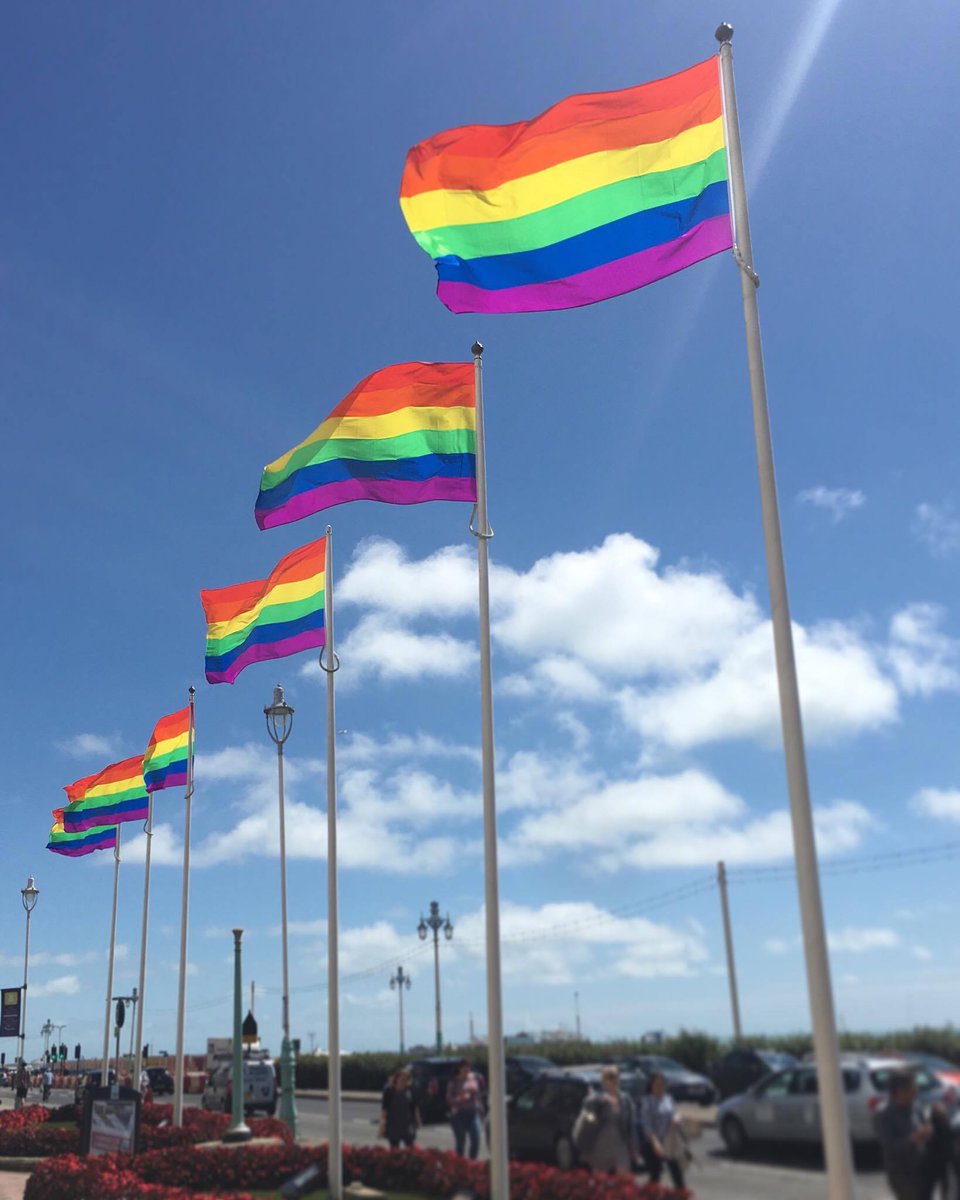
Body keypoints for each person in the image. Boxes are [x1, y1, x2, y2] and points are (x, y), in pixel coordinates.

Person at [873, 1069, 932, 1200]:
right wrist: (914, 1138)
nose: (917, 1090)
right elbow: (890, 1146)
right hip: (902, 1174)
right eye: (913, 1087)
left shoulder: (916, 1105)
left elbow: (924, 1124)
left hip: (922, 1168)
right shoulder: (884, 1114)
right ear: (900, 1091)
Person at [575, 1065, 637, 1177]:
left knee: (623, 1180)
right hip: (599, 1145)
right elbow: (587, 1116)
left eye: (616, 1076)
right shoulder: (595, 1098)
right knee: (601, 1182)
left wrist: (634, 1147)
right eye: (610, 1077)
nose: (614, 1080)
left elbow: (631, 1124)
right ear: (603, 1080)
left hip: (620, 1144)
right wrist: (597, 1107)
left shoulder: (625, 1099)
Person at [638, 1072, 688, 1189]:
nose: (660, 1087)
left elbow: (675, 1112)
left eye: (662, 1084)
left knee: (677, 1174)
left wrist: (677, 1118)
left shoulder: (668, 1099)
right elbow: (647, 1124)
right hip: (653, 1143)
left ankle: (681, 1196)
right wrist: (655, 1143)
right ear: (651, 1085)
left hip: (669, 1142)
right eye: (657, 1084)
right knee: (655, 1174)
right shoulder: (647, 1101)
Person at [446, 1059, 484, 1159]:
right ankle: (460, 1165)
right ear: (459, 1069)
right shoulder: (454, 1081)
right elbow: (449, 1099)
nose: (467, 1069)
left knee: (476, 1140)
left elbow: (479, 1094)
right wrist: (459, 1098)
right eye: (464, 1067)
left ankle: (472, 1163)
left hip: (473, 1113)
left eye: (468, 1067)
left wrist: (480, 1107)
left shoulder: (474, 1079)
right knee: (460, 1142)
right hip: (459, 1114)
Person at [379, 1068, 421, 1149]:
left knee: (410, 1147)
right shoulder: (389, 1091)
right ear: (396, 1078)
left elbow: (414, 1107)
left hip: (408, 1123)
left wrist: (418, 1121)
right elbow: (384, 1109)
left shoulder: (410, 1091)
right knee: (394, 1148)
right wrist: (382, 1126)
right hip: (393, 1124)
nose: (404, 1080)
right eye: (402, 1078)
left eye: (406, 1078)